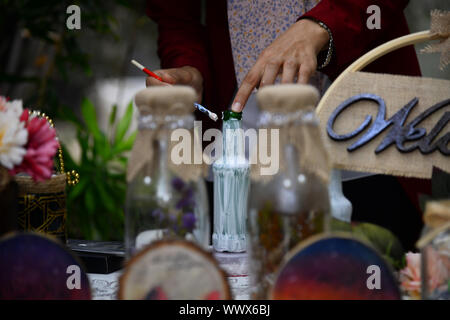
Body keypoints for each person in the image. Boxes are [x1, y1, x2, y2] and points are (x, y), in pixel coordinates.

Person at [145, 0, 430, 250]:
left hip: (366, 137)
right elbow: (176, 15)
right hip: (237, 154)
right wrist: (189, 66)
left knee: (374, 277)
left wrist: (323, 24)